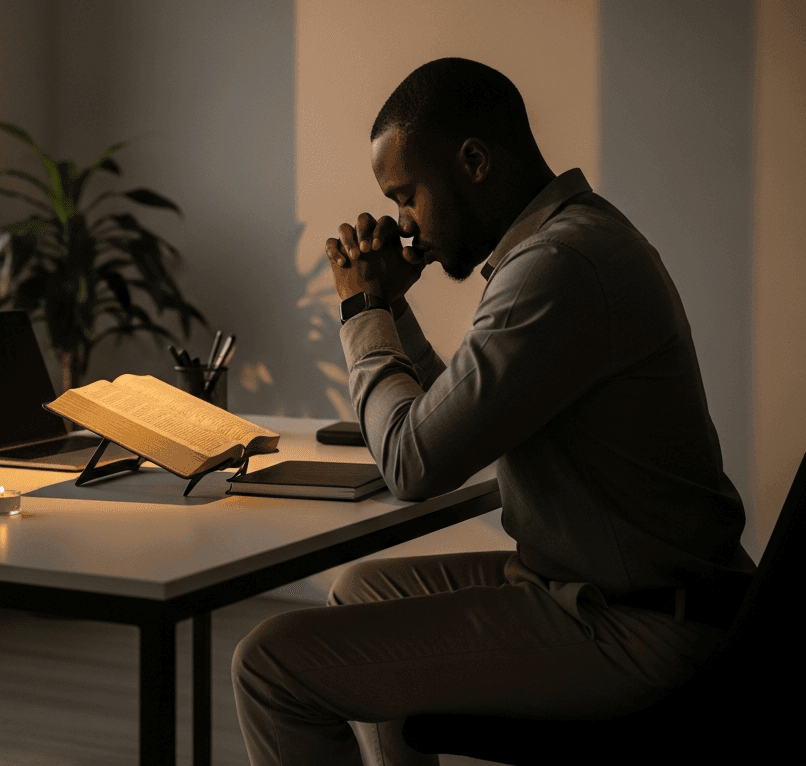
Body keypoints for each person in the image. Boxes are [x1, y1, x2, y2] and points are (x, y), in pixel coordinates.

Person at [232, 58, 752, 766]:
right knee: (359, 590)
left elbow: (413, 464)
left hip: (639, 627)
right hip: (612, 591)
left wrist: (363, 308)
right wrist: (394, 309)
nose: (401, 221)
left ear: (473, 161)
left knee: (270, 666)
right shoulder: (570, 243)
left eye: (407, 195)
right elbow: (452, 423)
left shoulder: (558, 269)